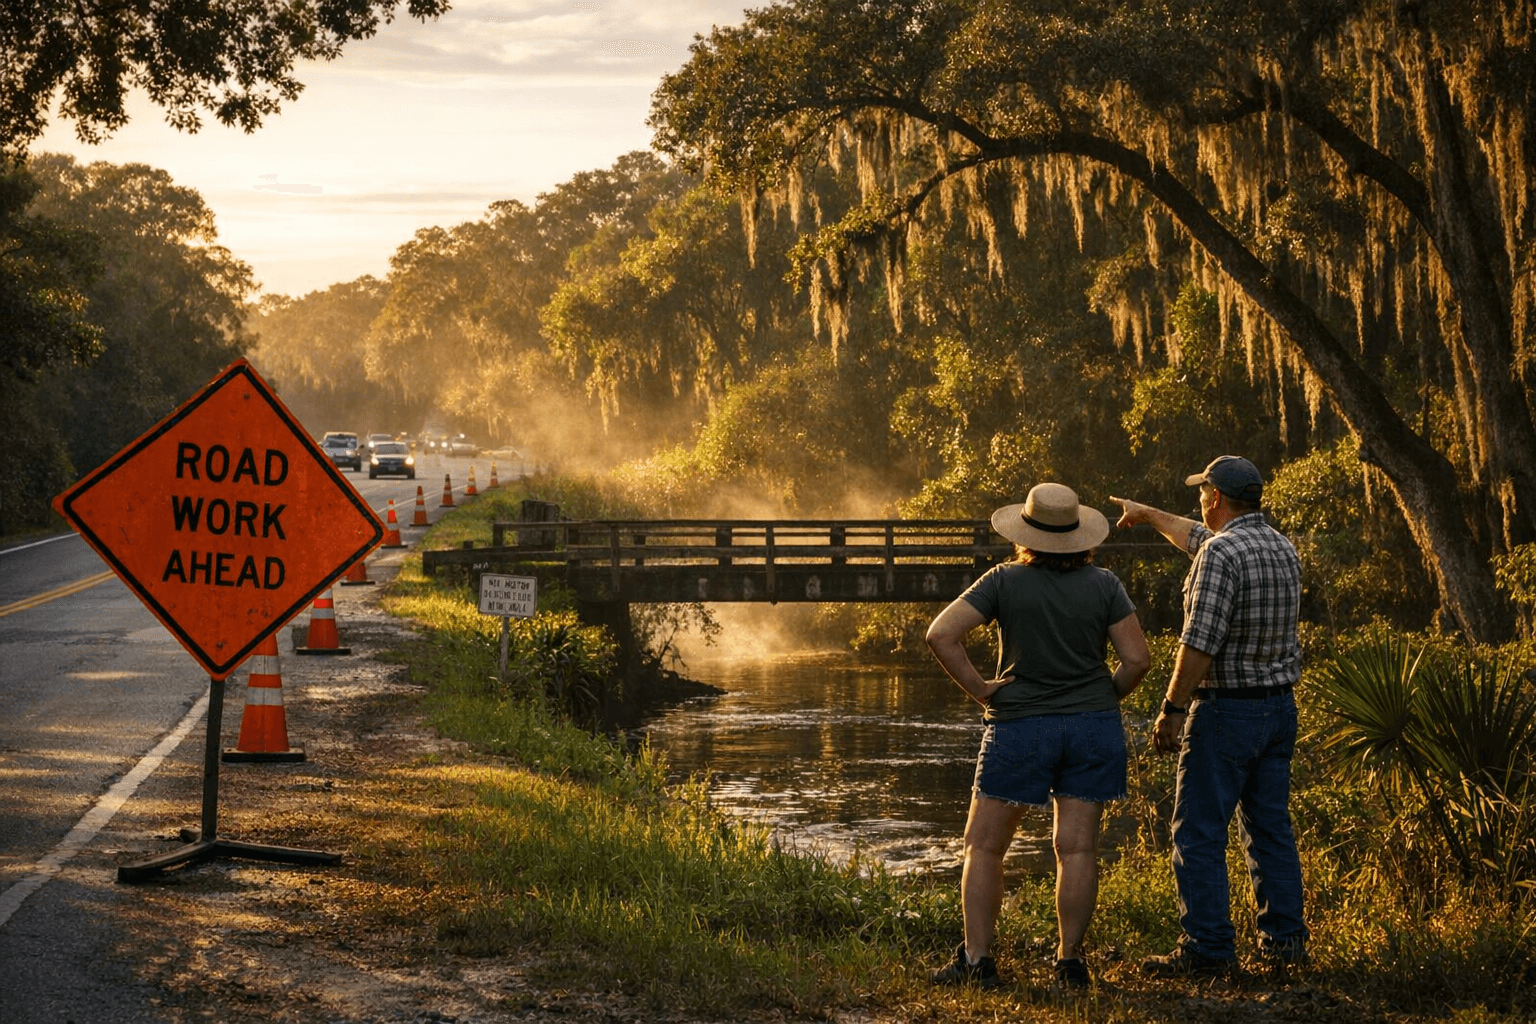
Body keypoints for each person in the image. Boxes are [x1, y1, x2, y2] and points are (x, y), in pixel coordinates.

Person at [925, 482, 1150, 991]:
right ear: (1078, 535)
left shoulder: (1004, 581)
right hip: (1093, 727)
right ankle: (1070, 963)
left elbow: (941, 634)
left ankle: (979, 962)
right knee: (1077, 850)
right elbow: (1137, 660)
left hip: (1020, 726)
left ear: (1025, 533)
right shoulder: (1105, 584)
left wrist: (982, 689)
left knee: (983, 848)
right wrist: (1103, 698)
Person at [1110, 455, 1308, 977]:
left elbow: (1199, 644)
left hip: (1226, 712)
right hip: (1279, 709)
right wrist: (1148, 514)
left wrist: (1172, 709)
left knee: (1198, 832)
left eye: (1203, 491)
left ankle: (1208, 948)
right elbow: (1195, 535)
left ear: (1216, 497)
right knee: (1270, 831)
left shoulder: (1221, 556)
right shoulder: (1280, 547)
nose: (1199, 499)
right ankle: (1285, 945)